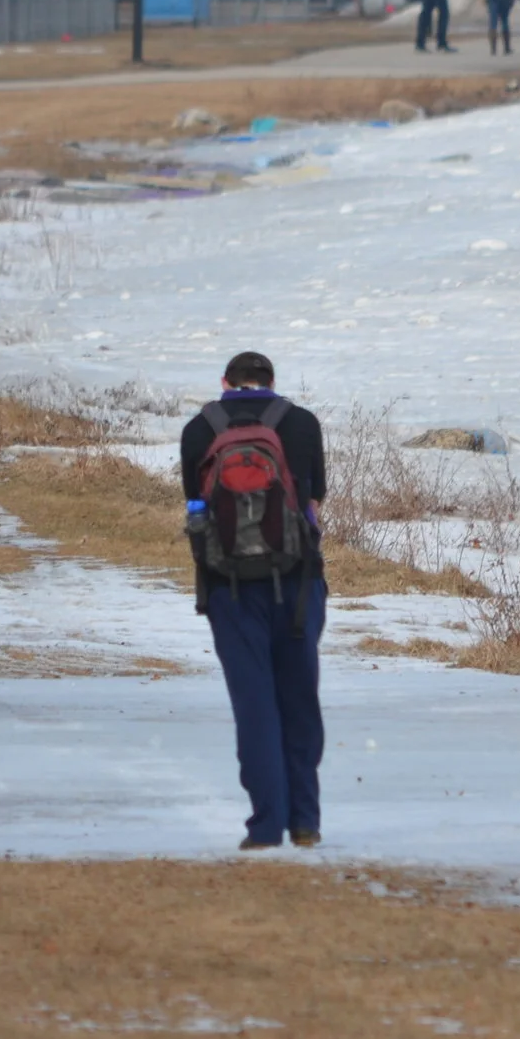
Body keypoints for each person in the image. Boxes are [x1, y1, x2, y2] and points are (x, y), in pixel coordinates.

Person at [181, 351, 329, 851]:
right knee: (298, 699)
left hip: (230, 589)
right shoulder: (302, 423)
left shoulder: (199, 429)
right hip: (299, 582)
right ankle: (305, 821)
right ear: (272, 382)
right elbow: (311, 505)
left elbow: (197, 512)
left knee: (255, 705)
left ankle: (265, 826)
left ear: (225, 382)